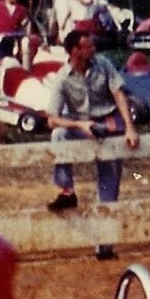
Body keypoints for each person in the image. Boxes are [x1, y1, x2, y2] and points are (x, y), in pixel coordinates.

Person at [44, 29, 139, 230]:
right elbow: (52, 119)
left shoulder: (103, 64)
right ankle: (66, 190)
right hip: (83, 125)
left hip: (109, 125)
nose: (94, 49)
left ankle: (105, 241)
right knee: (59, 134)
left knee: (109, 180)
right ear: (75, 51)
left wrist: (130, 128)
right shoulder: (62, 78)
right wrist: (80, 125)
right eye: (89, 46)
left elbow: (118, 94)